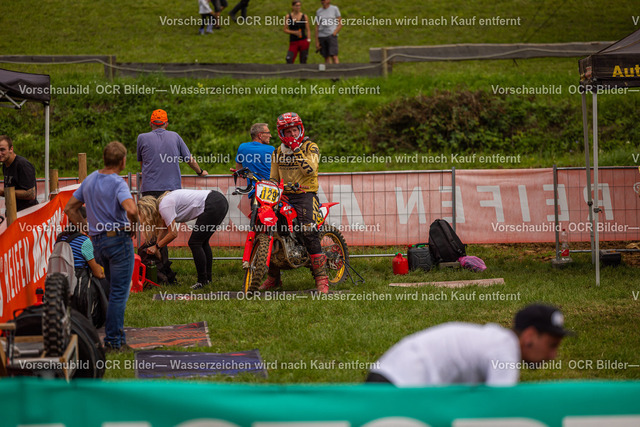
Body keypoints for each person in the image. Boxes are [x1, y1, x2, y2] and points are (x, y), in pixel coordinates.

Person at [366, 303, 573, 386]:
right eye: (552, 345)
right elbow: (499, 413)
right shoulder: (505, 351)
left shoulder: (497, 341)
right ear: (529, 336)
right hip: (396, 385)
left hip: (390, 376)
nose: (553, 355)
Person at [64, 141, 139, 352]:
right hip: (118, 240)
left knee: (111, 290)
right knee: (119, 293)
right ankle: (114, 341)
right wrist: (134, 226)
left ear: (104, 159)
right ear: (122, 161)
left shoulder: (89, 180)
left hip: (97, 242)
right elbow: (132, 210)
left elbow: (69, 208)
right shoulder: (118, 183)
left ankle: (113, 336)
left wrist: (86, 228)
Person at [263, 112, 329, 294]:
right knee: (271, 231)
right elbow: (273, 177)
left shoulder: (310, 147)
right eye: (288, 131)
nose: (292, 134)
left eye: (295, 130)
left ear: (301, 129)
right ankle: (273, 278)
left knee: (308, 230)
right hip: (284, 196)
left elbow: (310, 170)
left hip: (305, 194)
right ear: (281, 133)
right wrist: (271, 188)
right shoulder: (277, 151)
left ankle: (322, 279)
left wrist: (296, 149)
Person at [137, 189, 229, 290]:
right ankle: (207, 280)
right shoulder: (163, 204)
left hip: (213, 203)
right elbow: (164, 229)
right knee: (202, 242)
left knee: (195, 243)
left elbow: (173, 233)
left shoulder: (164, 206)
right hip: (218, 201)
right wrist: (157, 246)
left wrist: (157, 247)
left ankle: (202, 281)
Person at [137, 109, 208, 198]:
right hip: (171, 189)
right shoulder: (175, 136)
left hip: (149, 188)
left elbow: (143, 162)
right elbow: (189, 160)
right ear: (166, 124)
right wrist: (200, 172)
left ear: (151, 124)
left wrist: (145, 172)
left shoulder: (142, 138)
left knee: (150, 208)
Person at [235, 123, 275, 198]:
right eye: (268, 133)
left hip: (253, 192)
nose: (270, 135)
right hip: (271, 191)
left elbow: (239, 168)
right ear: (260, 135)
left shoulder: (242, 147)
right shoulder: (271, 149)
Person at [0, 135, 38, 212]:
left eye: (2, 150)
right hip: (13, 213)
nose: (0, 153)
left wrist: (4, 192)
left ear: (11, 149)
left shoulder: (22, 165)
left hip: (27, 213)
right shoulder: (5, 164)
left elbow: (31, 194)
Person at [314, 0, 342, 64]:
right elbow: (317, 26)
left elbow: (340, 23)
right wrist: (317, 41)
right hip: (322, 35)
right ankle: (328, 70)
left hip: (331, 35)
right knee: (326, 56)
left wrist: (334, 33)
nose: (323, 1)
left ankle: (337, 69)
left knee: (334, 56)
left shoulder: (334, 9)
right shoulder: (319, 11)